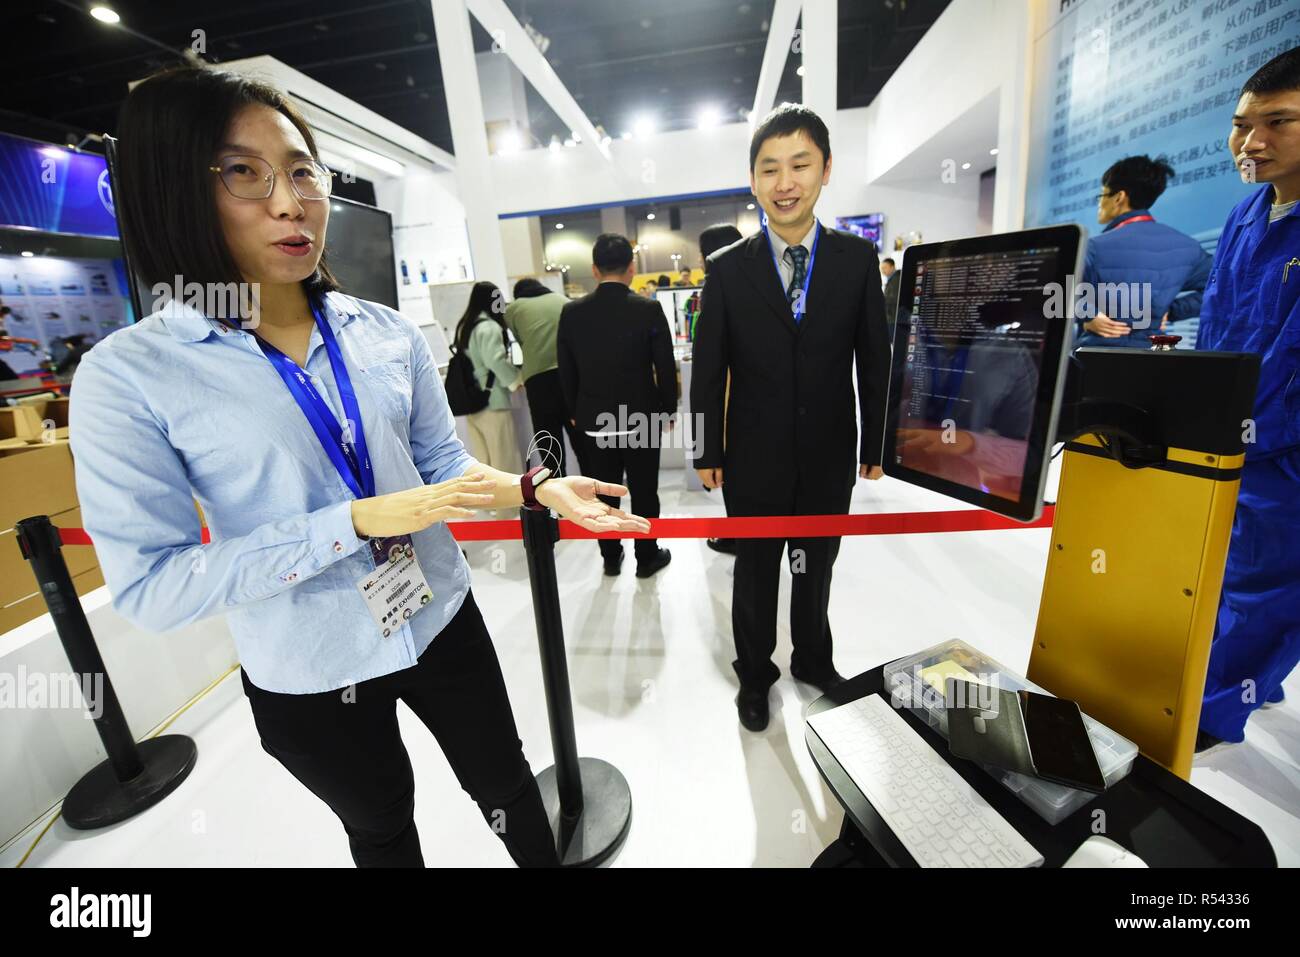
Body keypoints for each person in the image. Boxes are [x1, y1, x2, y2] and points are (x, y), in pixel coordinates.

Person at [69, 62, 651, 868]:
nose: (290, 200)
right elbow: (152, 583)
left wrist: (537, 486)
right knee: (380, 826)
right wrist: (347, 524)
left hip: (439, 612)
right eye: (245, 172)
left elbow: (440, 463)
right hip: (310, 662)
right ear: (176, 188)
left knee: (508, 786)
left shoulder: (383, 332)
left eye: (303, 170)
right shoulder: (131, 375)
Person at [691, 103, 890, 732]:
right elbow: (708, 369)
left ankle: (813, 659)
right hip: (753, 455)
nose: (785, 182)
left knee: (817, 565)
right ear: (753, 180)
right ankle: (755, 675)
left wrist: (878, 438)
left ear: (825, 170)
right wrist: (707, 449)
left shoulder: (858, 263)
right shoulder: (727, 271)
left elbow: (875, 360)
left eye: (800, 164)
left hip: (831, 450)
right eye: (770, 168)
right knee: (755, 575)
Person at [1194, 46, 1300, 751]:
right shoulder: (1245, 213)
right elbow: (1216, 324)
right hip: (1229, 438)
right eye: (1242, 123)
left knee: (1261, 586)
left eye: (1278, 122)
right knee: (1229, 579)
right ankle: (1255, 679)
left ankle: (1209, 713)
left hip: (1284, 457)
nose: (1251, 141)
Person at [557, 233, 676, 578]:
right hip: (641, 418)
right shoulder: (648, 309)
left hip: (595, 421)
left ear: (594, 270)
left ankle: (611, 556)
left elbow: (567, 370)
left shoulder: (572, 312)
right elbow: (664, 366)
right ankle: (647, 556)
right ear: (632, 269)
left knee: (603, 493)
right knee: (644, 490)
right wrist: (667, 410)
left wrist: (575, 413)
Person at [1075, 155, 1212, 348]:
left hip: (1094, 358)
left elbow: (1053, 294)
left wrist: (1087, 314)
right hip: (1154, 360)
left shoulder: (1094, 247)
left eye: (1102, 195)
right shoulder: (1188, 247)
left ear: (1119, 197)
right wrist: (1172, 310)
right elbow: (1222, 286)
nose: (1099, 203)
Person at [696, 222, 743, 557]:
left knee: (732, 473)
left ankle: (738, 534)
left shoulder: (716, 288)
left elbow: (707, 378)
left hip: (730, 406)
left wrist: (705, 450)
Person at [504, 277, 583, 476]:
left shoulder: (514, 308)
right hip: (570, 377)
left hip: (537, 379)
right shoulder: (563, 300)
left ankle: (561, 499)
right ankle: (593, 495)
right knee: (582, 443)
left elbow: (519, 338)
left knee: (549, 445)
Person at [454, 280, 522, 486]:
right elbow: (496, 360)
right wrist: (515, 380)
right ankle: (507, 512)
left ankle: (493, 512)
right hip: (493, 400)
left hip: (472, 401)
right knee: (504, 461)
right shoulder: (489, 327)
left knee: (484, 463)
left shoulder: (465, 326)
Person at [880, 257, 901, 343]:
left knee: (892, 343)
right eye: (881, 268)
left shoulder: (896, 279)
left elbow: (893, 299)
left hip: (893, 318)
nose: (883, 270)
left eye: (885, 267)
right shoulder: (892, 279)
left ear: (892, 267)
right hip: (891, 317)